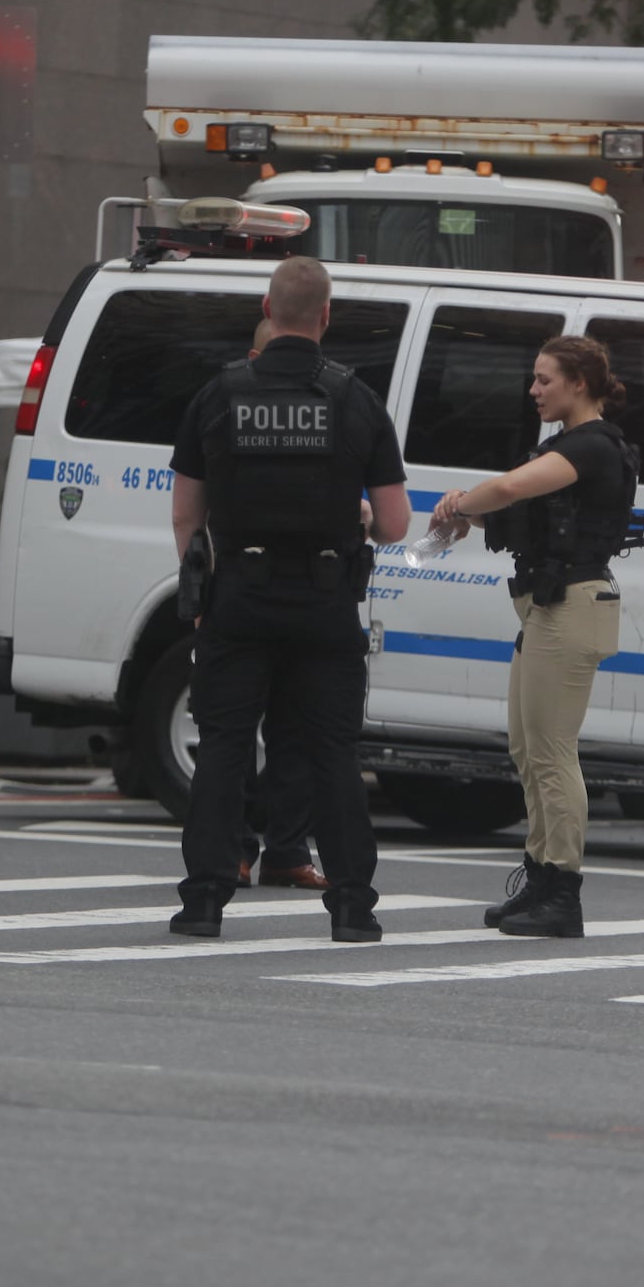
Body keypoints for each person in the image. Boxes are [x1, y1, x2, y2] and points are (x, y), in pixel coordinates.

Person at [167, 256, 409, 941]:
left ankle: (205, 900)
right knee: (332, 752)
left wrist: (205, 582)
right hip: (325, 603)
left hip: (238, 597)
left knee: (224, 746)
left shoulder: (219, 393)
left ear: (269, 309)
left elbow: (186, 512)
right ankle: (354, 907)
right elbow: (393, 523)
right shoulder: (355, 399)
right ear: (326, 315)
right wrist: (354, 517)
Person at [428, 335, 639, 939]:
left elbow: (515, 486)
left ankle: (562, 892)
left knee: (552, 752)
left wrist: (461, 504)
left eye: (545, 379)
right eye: (534, 378)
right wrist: (470, 516)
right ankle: (540, 876)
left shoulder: (593, 444)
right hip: (548, 608)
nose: (534, 390)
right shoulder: (568, 448)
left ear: (579, 383)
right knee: (527, 748)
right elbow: (523, 504)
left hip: (572, 608)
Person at [231, 318, 329, 894]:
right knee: (236, 733)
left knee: (294, 731)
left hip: (304, 592)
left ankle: (285, 850)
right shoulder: (229, 402)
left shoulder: (331, 403)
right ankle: (239, 851)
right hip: (248, 589)